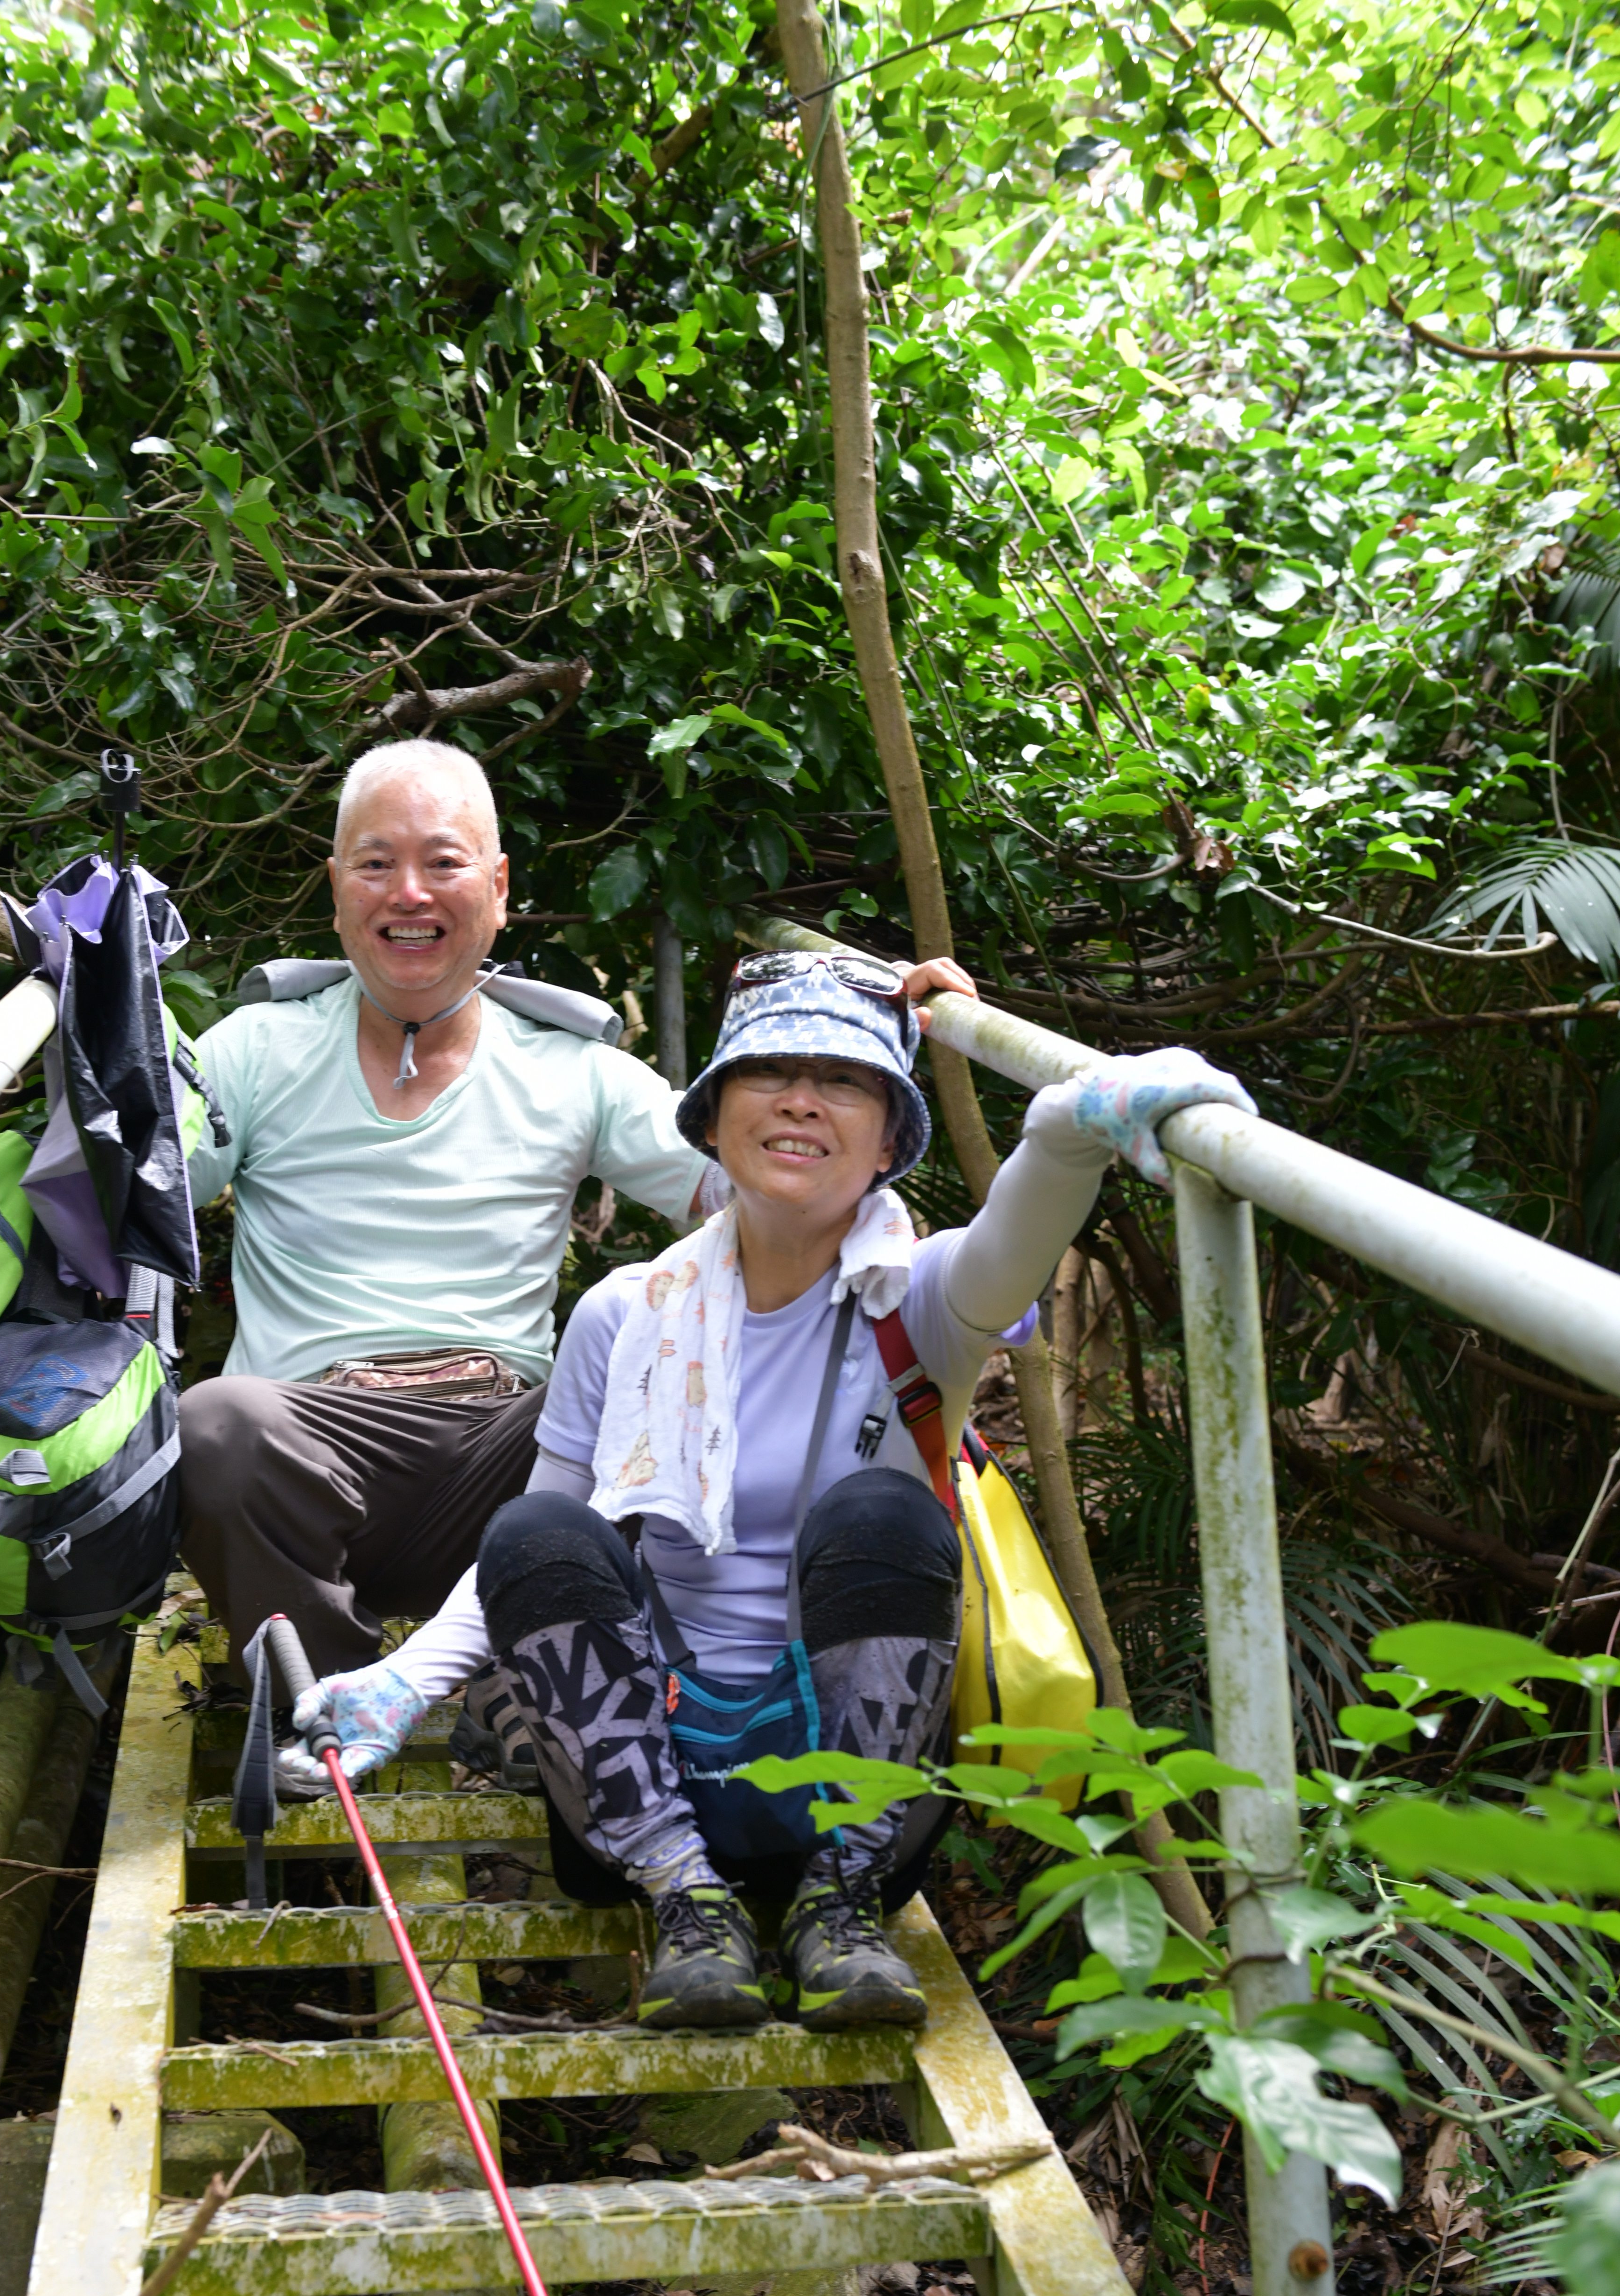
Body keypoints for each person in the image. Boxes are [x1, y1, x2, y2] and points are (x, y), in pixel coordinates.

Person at [290, 954, 1253, 2029]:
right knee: (535, 1524)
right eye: (770, 1073)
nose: (801, 1099)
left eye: (842, 1080)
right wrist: (403, 1683)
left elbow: (1015, 1245)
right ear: (713, 1121)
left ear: (889, 1142)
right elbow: (528, 1557)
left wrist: (1072, 1127)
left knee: (884, 1512)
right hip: (642, 1781)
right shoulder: (624, 1313)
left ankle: (838, 1904)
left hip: (861, 1800)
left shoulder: (920, 1299)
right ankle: (689, 1901)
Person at [178, 738, 709, 1783]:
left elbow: (746, 1180)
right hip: (313, 1444)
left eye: (444, 863)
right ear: (337, 890)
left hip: (508, 1458)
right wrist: (98, 1027)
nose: (409, 894)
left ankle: (528, 1682)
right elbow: (151, 1178)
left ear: (499, 889)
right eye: (376, 864)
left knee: (650, 1386)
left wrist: (865, 1051)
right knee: (218, 1424)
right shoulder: (255, 1047)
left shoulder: (575, 1069)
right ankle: (325, 1705)